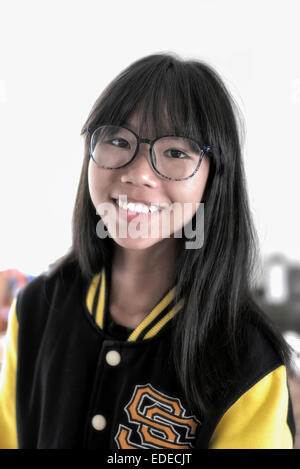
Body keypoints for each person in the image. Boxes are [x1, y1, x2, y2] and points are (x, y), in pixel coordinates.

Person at [0, 52, 295, 449]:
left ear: (214, 179)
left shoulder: (246, 360)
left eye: (176, 152)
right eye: (118, 141)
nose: (138, 173)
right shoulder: (37, 308)